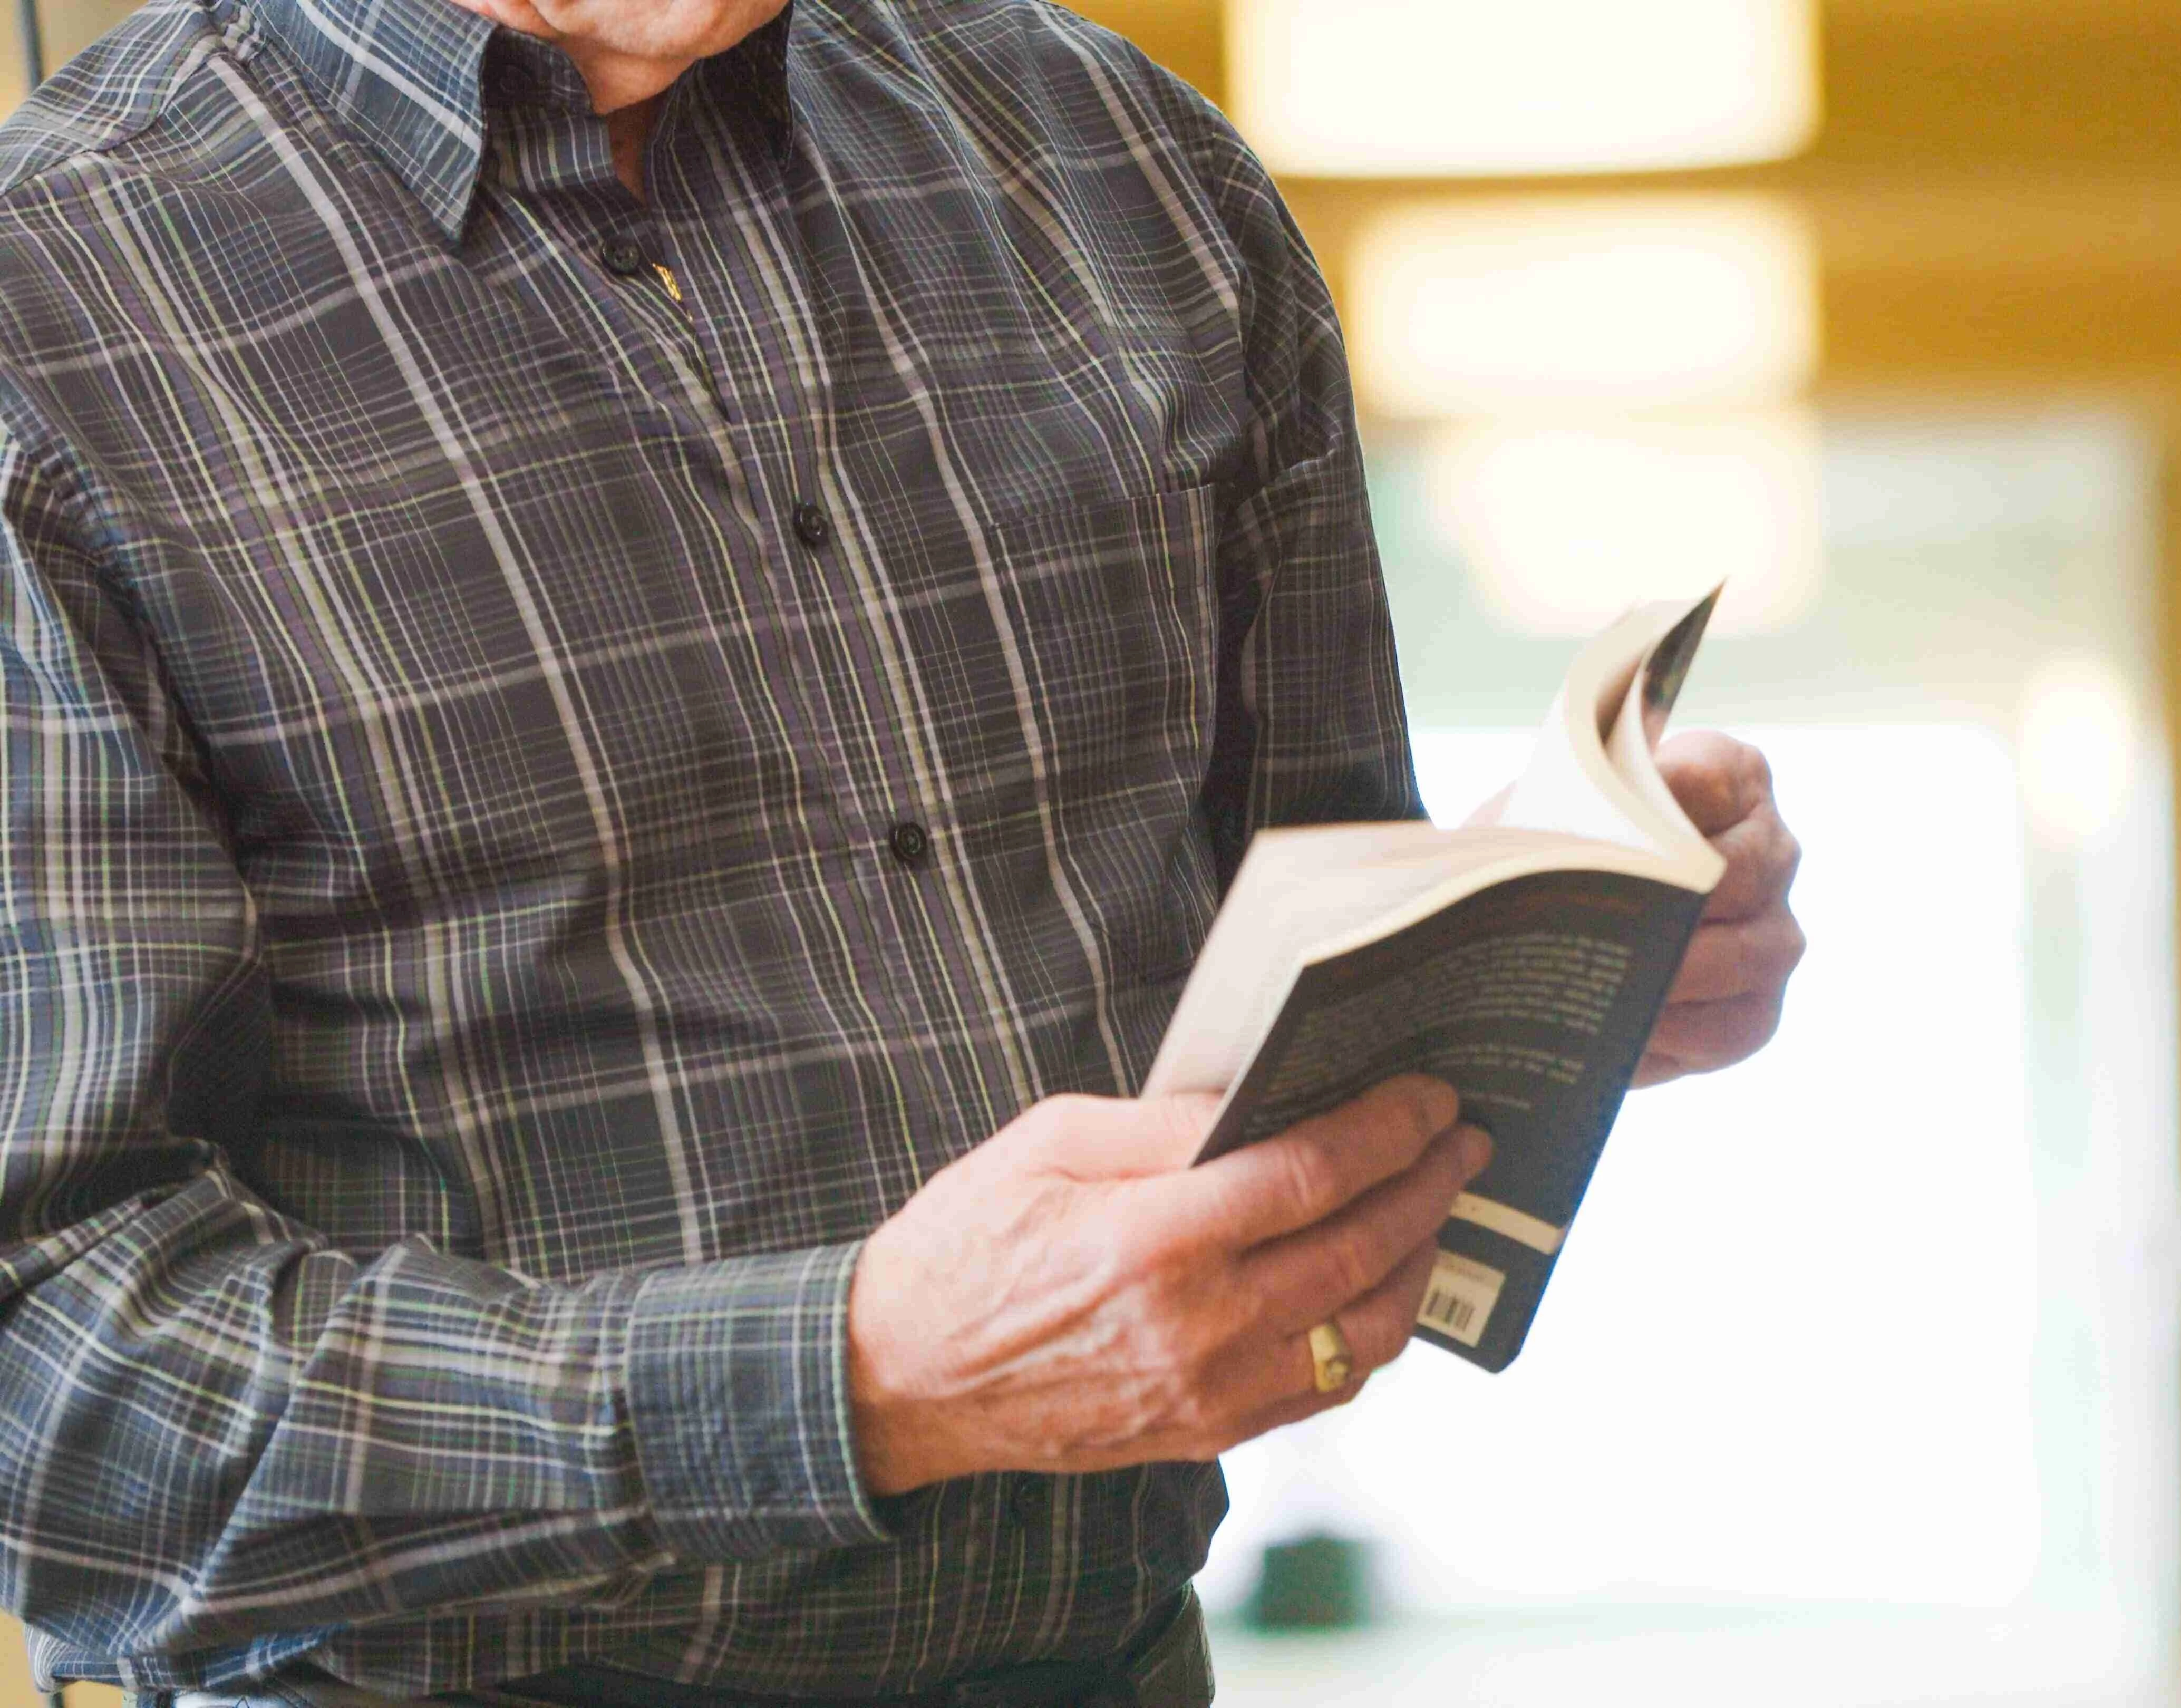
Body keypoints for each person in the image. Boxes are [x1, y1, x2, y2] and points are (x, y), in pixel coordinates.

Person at [0, 0, 1809, 1693]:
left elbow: (1280, 995)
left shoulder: (1132, 175)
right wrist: (857, 1381)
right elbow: (52, 1392)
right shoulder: (49, 312)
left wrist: (1555, 959)